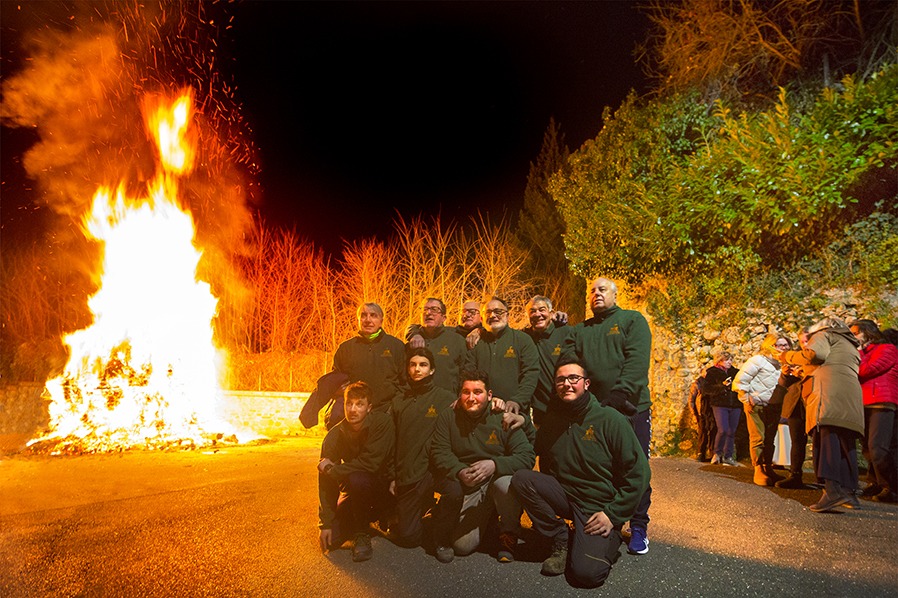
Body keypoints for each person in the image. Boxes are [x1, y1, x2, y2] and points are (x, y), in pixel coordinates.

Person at [512, 360, 650, 589]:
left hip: (597, 506)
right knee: (522, 480)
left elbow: (639, 473)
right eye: (560, 379)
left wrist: (613, 514)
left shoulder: (610, 419)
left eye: (573, 378)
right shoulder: (554, 420)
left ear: (586, 384)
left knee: (586, 575)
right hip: (565, 495)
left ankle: (606, 540)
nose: (566, 383)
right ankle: (560, 537)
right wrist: (521, 422)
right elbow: (535, 446)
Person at [561, 277, 653, 555]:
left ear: (615, 294)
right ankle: (606, 519)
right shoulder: (580, 330)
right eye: (592, 291)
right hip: (593, 411)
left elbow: (637, 360)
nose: (596, 294)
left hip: (629, 409)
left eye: (602, 290)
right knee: (600, 468)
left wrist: (619, 396)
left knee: (635, 467)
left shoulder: (631, 320)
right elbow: (566, 358)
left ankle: (638, 526)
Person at [429, 369, 535, 563]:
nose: (471, 397)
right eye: (466, 392)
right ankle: (488, 517)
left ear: (490, 395)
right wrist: (459, 470)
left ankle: (509, 531)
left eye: (477, 392)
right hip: (470, 484)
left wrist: (495, 464)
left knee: (506, 484)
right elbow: (439, 451)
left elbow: (527, 456)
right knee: (461, 546)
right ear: (459, 394)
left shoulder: (501, 417)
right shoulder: (449, 416)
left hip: (496, 480)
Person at [780, 317, 864, 513]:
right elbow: (831, 364)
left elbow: (815, 354)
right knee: (846, 444)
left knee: (826, 440)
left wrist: (788, 356)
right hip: (850, 395)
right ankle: (849, 493)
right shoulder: (850, 344)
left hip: (828, 394)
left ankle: (832, 490)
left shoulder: (824, 334)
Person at [317, 382, 395, 562]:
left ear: (369, 408)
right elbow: (326, 482)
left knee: (358, 477)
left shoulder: (382, 423)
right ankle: (364, 516)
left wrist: (333, 469)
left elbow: (371, 463)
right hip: (356, 491)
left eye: (359, 404)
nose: (353, 409)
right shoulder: (334, 436)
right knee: (332, 541)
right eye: (348, 404)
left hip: (384, 486)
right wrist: (325, 523)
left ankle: (362, 532)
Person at [390, 347, 457, 547]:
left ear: (432, 370)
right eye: (413, 365)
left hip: (436, 469)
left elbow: (475, 407)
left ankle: (440, 532)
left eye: (423, 365)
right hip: (410, 472)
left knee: (455, 491)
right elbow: (392, 441)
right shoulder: (399, 401)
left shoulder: (446, 398)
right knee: (408, 538)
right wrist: (392, 475)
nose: (417, 369)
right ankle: (422, 511)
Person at [464, 297, 540, 434]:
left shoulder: (522, 340)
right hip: (481, 417)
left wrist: (518, 401)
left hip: (514, 415)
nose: (493, 315)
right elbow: (468, 374)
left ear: (508, 315)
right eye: (488, 313)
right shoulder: (476, 343)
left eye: (498, 311)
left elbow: (531, 374)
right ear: (482, 318)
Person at [850, 319, 898, 503]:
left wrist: (859, 352)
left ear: (867, 333)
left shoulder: (887, 349)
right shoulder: (867, 352)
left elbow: (865, 370)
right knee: (868, 447)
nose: (852, 338)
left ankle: (890, 487)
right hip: (865, 402)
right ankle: (875, 482)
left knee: (878, 447)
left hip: (882, 401)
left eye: (855, 333)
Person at [332, 303, 406, 418]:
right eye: (363, 315)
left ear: (381, 320)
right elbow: (335, 380)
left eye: (373, 315)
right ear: (358, 320)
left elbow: (405, 382)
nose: (368, 320)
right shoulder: (346, 348)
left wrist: (395, 405)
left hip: (386, 412)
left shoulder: (396, 346)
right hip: (355, 414)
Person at [734, 334, 788, 486]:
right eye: (780, 345)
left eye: (786, 345)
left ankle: (768, 467)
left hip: (774, 406)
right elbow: (740, 381)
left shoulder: (784, 364)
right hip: (756, 405)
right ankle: (758, 469)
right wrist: (747, 398)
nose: (783, 348)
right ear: (770, 345)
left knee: (770, 438)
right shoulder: (758, 361)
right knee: (758, 437)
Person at [522, 295, 572, 427]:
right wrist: (479, 330)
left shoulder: (566, 332)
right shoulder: (524, 338)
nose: (537, 314)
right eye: (532, 311)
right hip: (541, 409)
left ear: (551, 313)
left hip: (566, 405)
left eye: (542, 309)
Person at [775, 330, 813, 489]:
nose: (804, 345)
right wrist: (785, 374)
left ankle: (824, 478)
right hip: (795, 404)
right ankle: (794, 475)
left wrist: (803, 374)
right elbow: (784, 385)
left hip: (812, 402)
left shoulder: (818, 356)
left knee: (819, 442)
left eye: (807, 341)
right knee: (797, 441)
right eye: (802, 341)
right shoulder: (797, 357)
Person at [404, 298, 467, 394]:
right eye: (425, 309)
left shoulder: (457, 341)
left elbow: (465, 372)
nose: (428, 313)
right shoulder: (413, 341)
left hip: (446, 401)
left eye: (434, 309)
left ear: (443, 318)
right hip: (416, 400)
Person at [702, 351, 742, 466]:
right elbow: (707, 389)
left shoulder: (736, 372)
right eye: (727, 360)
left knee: (732, 431)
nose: (729, 362)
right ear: (719, 361)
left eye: (730, 360)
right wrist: (722, 386)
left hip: (735, 404)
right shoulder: (712, 372)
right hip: (720, 404)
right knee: (723, 429)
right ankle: (717, 453)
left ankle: (728, 456)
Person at [688, 372, 714, 462]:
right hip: (701, 412)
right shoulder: (697, 383)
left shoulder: (712, 382)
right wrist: (694, 414)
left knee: (713, 432)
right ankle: (700, 453)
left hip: (711, 411)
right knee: (703, 432)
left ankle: (712, 453)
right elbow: (691, 400)